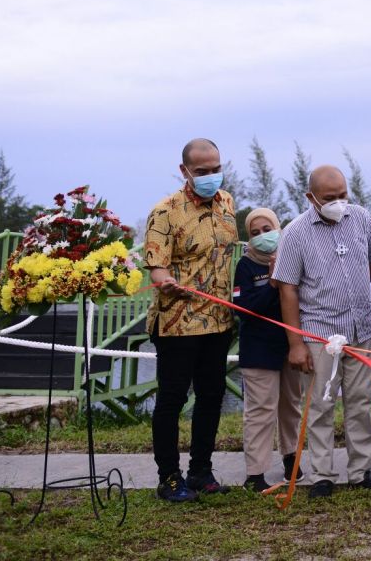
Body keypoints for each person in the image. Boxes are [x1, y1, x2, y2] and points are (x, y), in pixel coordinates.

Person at [273, 165, 371, 497]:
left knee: (360, 403)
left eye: (343, 195)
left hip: (364, 327)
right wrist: (295, 344)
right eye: (330, 198)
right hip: (319, 334)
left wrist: (353, 288)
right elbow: (287, 289)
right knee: (320, 406)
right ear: (311, 197)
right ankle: (322, 475)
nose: (339, 203)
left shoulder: (361, 218)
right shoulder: (295, 232)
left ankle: (361, 470)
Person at [143, 138, 238, 502]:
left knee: (211, 396)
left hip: (218, 320)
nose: (211, 176)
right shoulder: (165, 211)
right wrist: (165, 280)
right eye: (202, 172)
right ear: (184, 171)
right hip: (177, 323)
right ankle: (169, 477)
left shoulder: (227, 203)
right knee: (171, 399)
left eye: (216, 169)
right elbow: (156, 266)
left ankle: (201, 471)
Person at [233, 206, 303, 492]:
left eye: (267, 229)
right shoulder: (245, 266)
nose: (263, 236)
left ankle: (291, 461)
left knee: (291, 406)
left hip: (292, 346)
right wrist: (272, 284)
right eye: (255, 232)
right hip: (258, 348)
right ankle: (255, 472)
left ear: (278, 228)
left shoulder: (294, 257)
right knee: (260, 410)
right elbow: (244, 309)